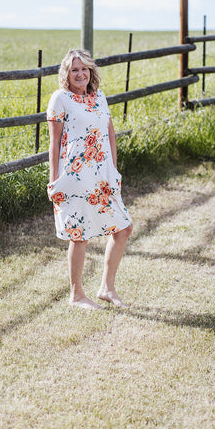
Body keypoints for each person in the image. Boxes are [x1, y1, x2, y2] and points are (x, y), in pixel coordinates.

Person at [47, 49, 132, 310]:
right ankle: (76, 295)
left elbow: (110, 136)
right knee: (79, 234)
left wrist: (114, 172)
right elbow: (54, 143)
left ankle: (106, 287)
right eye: (74, 70)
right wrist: (54, 181)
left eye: (84, 68)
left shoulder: (100, 98)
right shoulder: (60, 99)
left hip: (102, 176)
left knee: (123, 228)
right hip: (74, 176)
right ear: (67, 74)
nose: (80, 74)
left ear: (91, 71)